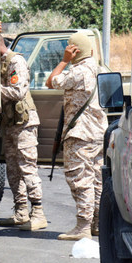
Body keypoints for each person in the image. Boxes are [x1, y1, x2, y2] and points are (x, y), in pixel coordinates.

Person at [46, 32, 107, 240]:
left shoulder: (78, 72)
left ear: (75, 50)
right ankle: (98, 224)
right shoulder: (97, 68)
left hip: (81, 134)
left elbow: (51, 81)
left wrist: (64, 61)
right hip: (98, 134)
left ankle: (83, 227)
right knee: (96, 180)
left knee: (80, 179)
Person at [0, 36, 47, 230]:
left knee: (27, 167)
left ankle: (38, 212)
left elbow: (18, 91)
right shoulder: (0, 62)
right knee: (13, 169)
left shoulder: (15, 61)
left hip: (24, 123)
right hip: (11, 122)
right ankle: (21, 212)